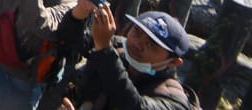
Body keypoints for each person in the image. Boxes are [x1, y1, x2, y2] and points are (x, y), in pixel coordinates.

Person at [62, 7, 192, 110]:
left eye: (151, 44)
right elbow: (71, 38)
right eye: (137, 32)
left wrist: (104, 50)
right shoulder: (116, 46)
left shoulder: (174, 100)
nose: (137, 44)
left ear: (174, 62)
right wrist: (80, 11)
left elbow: (135, 106)